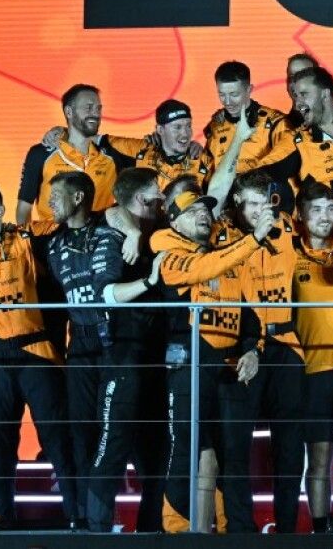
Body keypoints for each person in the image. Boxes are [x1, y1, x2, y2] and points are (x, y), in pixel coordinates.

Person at [0, 182, 81, 530]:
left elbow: (71, 222)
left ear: (1, 211)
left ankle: (79, 518)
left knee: (58, 439)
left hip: (38, 354)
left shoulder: (26, 238)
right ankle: (0, 520)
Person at [153, 178, 272, 533]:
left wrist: (253, 350)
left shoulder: (229, 260)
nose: (203, 215)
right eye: (192, 211)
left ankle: (239, 530)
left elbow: (251, 317)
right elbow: (204, 269)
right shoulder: (169, 257)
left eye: (205, 209)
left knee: (235, 456)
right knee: (185, 450)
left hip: (230, 369)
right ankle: (177, 530)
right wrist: (253, 239)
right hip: (188, 367)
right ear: (174, 222)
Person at [85, 167, 172, 532]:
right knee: (113, 444)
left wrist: (138, 233)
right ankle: (97, 533)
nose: (163, 201)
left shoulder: (156, 233)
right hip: (123, 355)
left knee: (159, 451)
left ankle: (151, 530)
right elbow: (104, 294)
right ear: (140, 198)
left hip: (158, 356)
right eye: (157, 195)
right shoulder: (109, 237)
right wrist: (148, 280)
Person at [230, 173, 313, 532]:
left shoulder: (289, 229)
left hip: (286, 345)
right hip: (244, 348)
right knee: (236, 444)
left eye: (262, 203)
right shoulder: (226, 238)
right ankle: (239, 529)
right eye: (249, 204)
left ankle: (288, 528)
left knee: (290, 447)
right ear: (237, 205)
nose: (257, 210)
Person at [39, 170, 125, 512]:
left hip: (114, 344)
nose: (49, 203)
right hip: (78, 348)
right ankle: (85, 517)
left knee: (114, 430)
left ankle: (112, 514)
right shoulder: (51, 244)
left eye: (55, 196)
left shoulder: (109, 232)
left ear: (77, 198)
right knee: (80, 429)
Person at [292, 180, 333, 532]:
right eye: (316, 209)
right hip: (314, 371)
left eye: (330, 208)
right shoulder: (290, 254)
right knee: (319, 461)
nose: (325, 216)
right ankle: (320, 531)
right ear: (301, 216)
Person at [254, 66, 333, 212]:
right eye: (296, 96)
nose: (297, 104)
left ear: (325, 94)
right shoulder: (298, 142)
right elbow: (255, 178)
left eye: (304, 94)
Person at [17, 84, 120, 223]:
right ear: (69, 112)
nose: (95, 114)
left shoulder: (113, 153)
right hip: (52, 236)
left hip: (99, 236)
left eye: (98, 108)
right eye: (88, 108)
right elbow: (24, 207)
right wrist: (27, 236)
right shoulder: (41, 153)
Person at [202, 61, 295, 185]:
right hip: (223, 195)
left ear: (249, 89)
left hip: (260, 193)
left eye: (234, 94)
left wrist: (248, 181)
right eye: (222, 95)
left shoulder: (274, 122)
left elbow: (287, 156)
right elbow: (205, 172)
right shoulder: (215, 126)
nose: (227, 102)